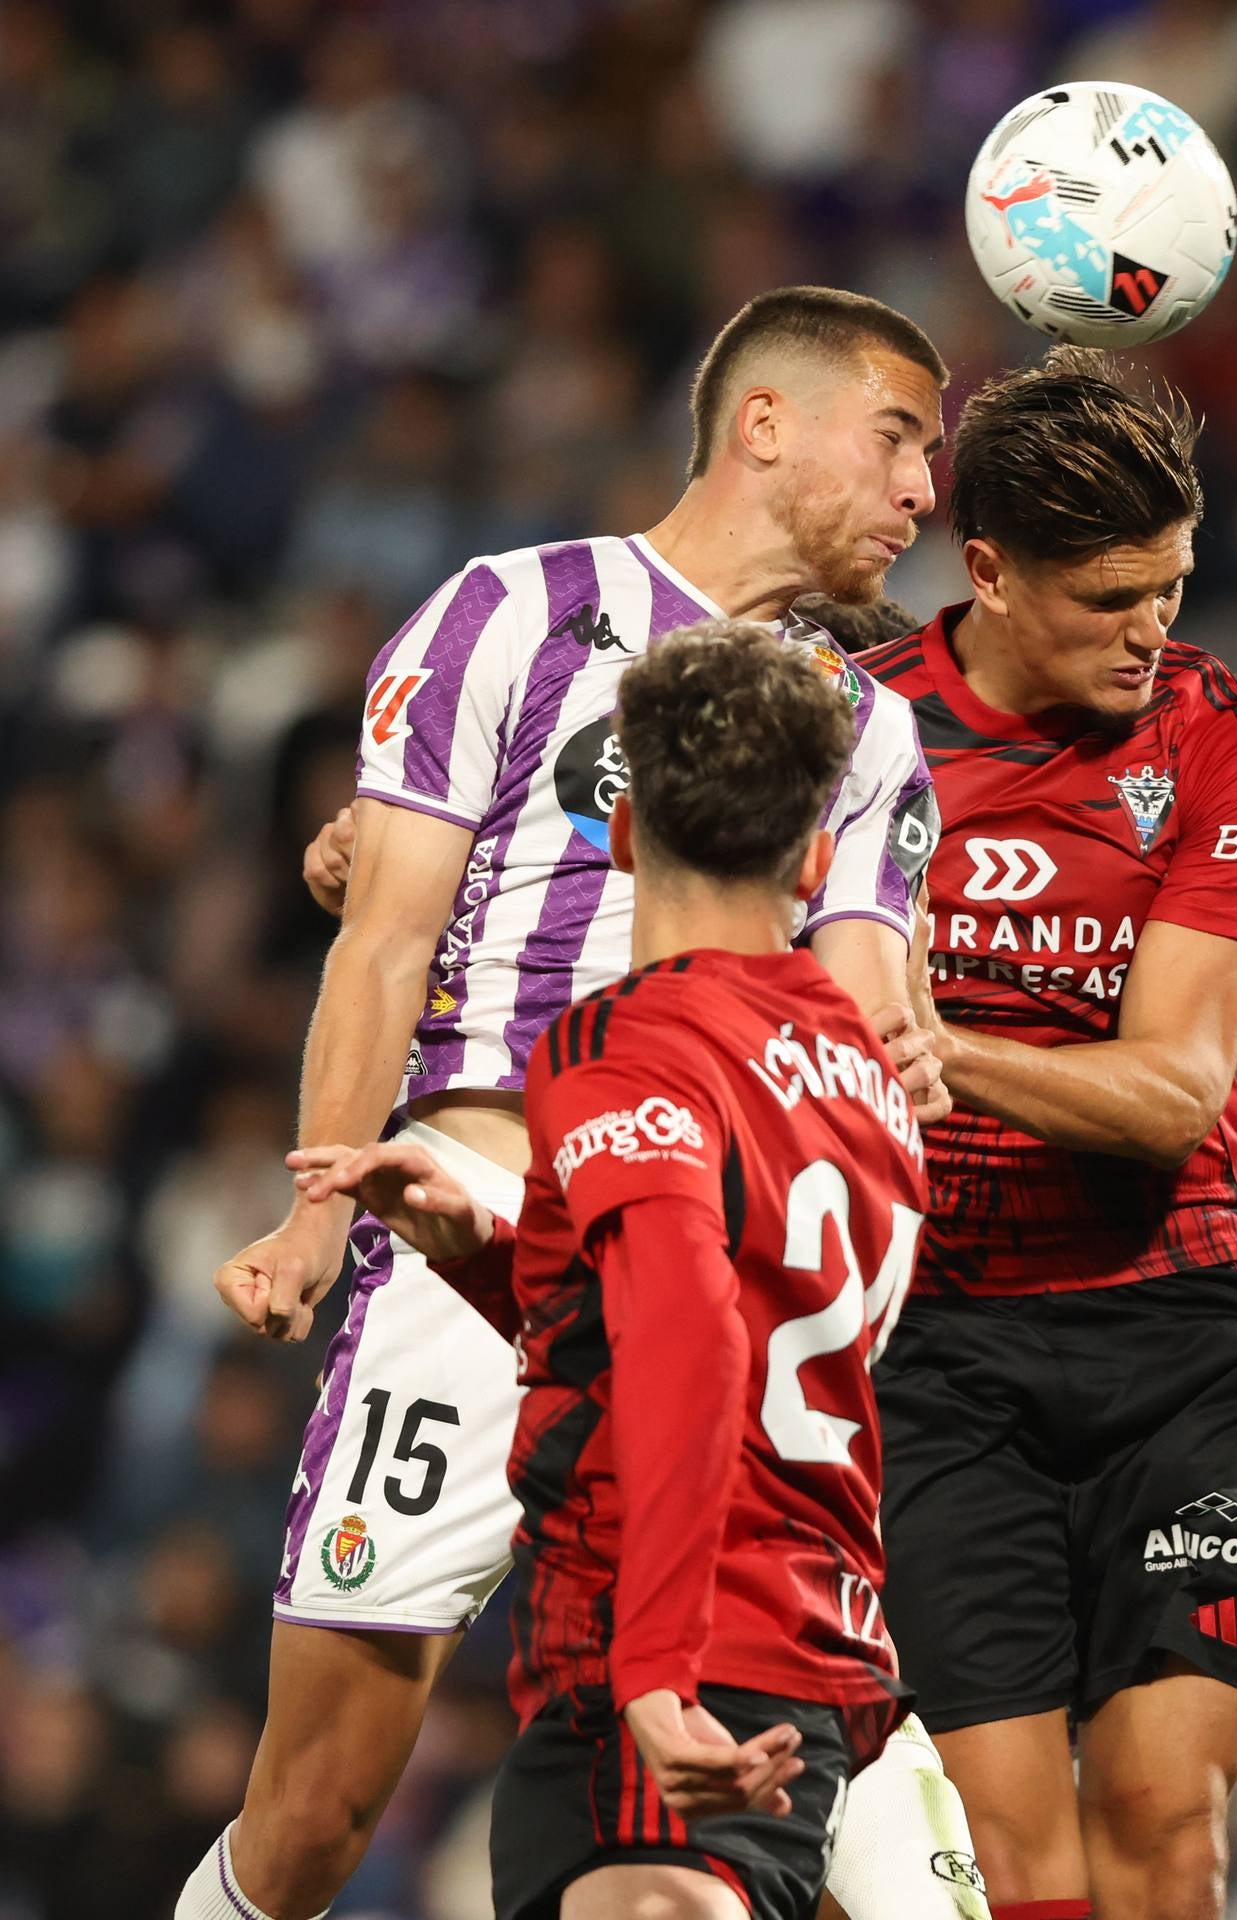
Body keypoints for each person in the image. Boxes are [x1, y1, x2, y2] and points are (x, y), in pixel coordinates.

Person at [180, 287, 978, 1920]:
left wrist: (911, 1050)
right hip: (478, 1258)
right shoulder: (514, 614)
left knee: (799, 1821)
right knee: (318, 1806)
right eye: (899, 440)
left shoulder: (874, 732)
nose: (922, 493)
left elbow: (864, 1003)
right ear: (766, 423)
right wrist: (319, 1211)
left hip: (724, 1304)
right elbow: (388, 930)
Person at [290, 626, 933, 1920]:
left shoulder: (623, 1047)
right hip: (826, 1640)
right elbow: (748, 1307)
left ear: (623, 829)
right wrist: (492, 1256)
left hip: (671, 1649)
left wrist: (651, 1674)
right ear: (815, 858)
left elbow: (694, 1337)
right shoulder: (868, 1069)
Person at [857, 347, 1237, 1920]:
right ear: (986, 569)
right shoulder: (853, 735)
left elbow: (1174, 1092)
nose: (1152, 631)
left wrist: (940, 1048)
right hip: (938, 1351)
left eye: (1172, 586)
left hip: (1173, 1336)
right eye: (1111, 596)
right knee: (1007, 1864)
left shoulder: (1221, 741)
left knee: (1162, 1826)